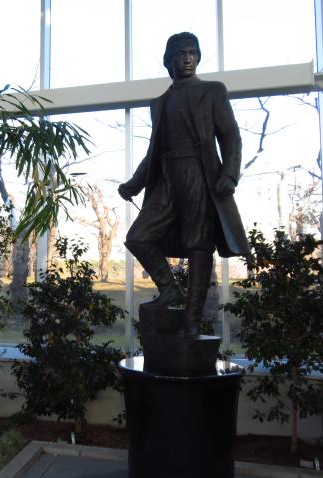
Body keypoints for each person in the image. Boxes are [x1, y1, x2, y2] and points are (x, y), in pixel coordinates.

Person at [118, 32, 249, 336]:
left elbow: (230, 135)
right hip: (166, 177)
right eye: (181, 54)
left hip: (198, 173)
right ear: (169, 61)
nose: (188, 59)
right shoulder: (160, 102)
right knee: (138, 237)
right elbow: (154, 151)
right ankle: (170, 290)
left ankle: (192, 321)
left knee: (199, 245)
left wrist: (229, 175)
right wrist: (134, 184)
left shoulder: (212, 91)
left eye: (192, 53)